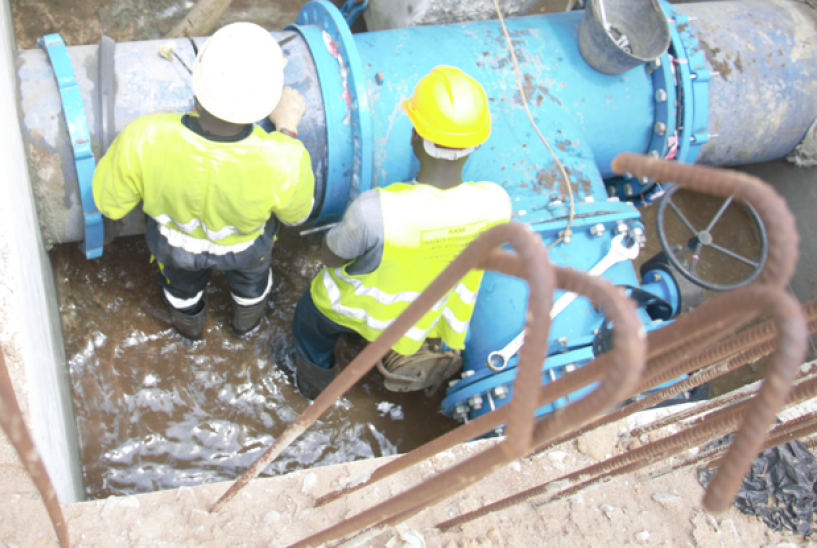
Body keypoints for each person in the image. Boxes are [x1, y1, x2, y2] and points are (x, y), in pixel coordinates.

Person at [286, 65, 512, 399]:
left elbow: (331, 258)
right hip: (416, 321)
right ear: (477, 143)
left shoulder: (374, 210)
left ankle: (312, 389)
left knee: (311, 329)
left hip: (343, 309)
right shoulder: (496, 205)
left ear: (415, 136)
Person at [94, 22, 315, 341]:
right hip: (247, 249)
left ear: (197, 83)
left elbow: (109, 205)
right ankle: (245, 327)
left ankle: (190, 333)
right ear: (266, 103)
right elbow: (297, 215)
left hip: (175, 247)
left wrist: (156, 123)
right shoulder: (284, 158)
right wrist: (287, 129)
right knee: (252, 287)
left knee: (181, 291)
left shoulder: (143, 136)